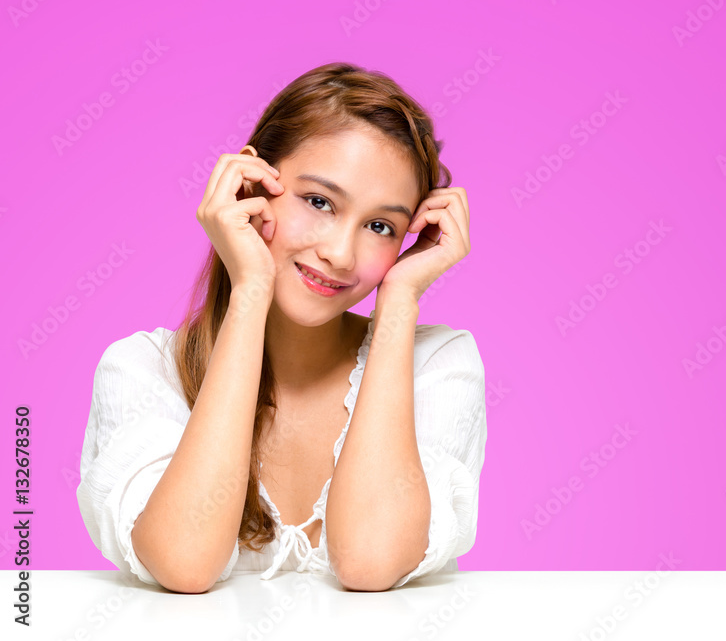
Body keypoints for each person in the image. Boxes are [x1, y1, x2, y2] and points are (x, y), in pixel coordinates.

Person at [76, 62, 486, 593]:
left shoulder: (436, 366)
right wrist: (249, 288)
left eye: (381, 226)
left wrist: (400, 300)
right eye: (318, 202)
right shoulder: (142, 371)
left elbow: (370, 562)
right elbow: (183, 563)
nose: (340, 254)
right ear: (252, 184)